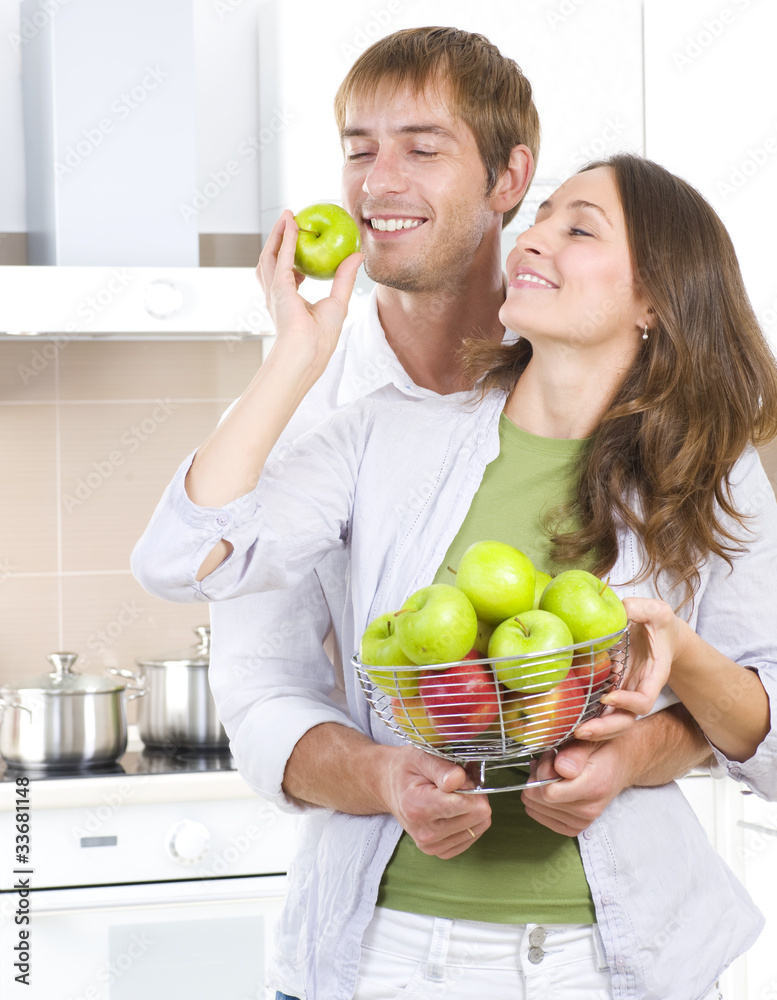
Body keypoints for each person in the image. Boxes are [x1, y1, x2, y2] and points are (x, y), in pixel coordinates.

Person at [130, 29, 740, 1000]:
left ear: (511, 178)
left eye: (422, 145)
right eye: (359, 148)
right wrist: (386, 779)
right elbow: (254, 682)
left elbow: (727, 692)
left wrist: (628, 753)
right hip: (386, 950)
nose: (378, 181)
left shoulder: (632, 398)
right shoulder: (319, 421)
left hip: (616, 953)